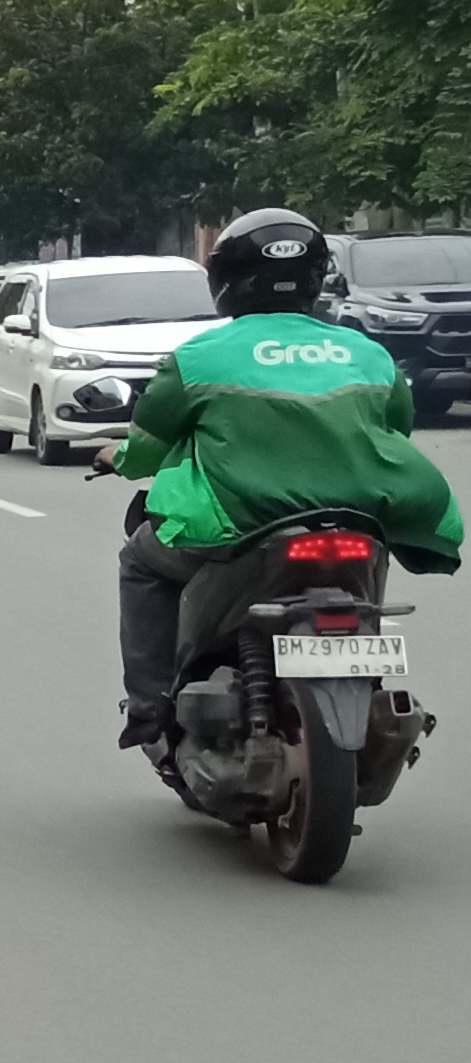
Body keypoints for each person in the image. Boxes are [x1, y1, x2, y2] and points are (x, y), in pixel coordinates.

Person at [103, 208, 466, 747]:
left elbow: (147, 451)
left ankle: (151, 706)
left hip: (244, 530)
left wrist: (115, 456)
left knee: (140, 561)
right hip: (361, 520)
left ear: (225, 278)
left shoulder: (196, 359)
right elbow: (396, 428)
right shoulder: (369, 353)